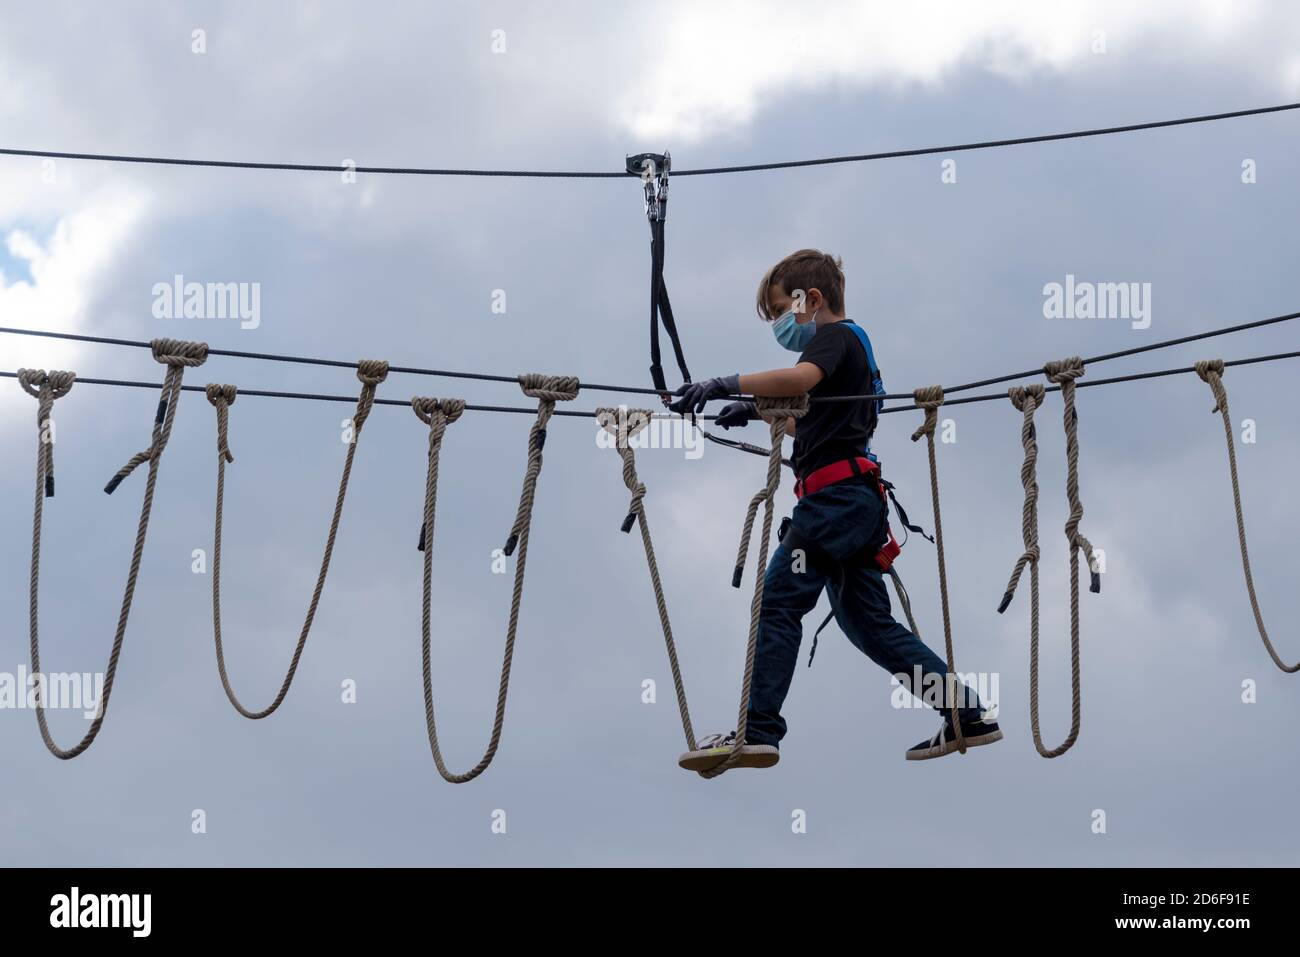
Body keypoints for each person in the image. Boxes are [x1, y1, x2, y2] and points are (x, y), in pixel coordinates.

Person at [668, 249, 1001, 770]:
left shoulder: (835, 337)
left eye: (784, 311)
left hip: (835, 506)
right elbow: (823, 428)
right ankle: (965, 713)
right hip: (855, 505)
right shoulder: (858, 352)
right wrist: (758, 415)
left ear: (812, 299)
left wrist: (724, 384)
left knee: (779, 600)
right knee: (867, 624)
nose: (782, 325)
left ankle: (758, 729)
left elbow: (799, 381)